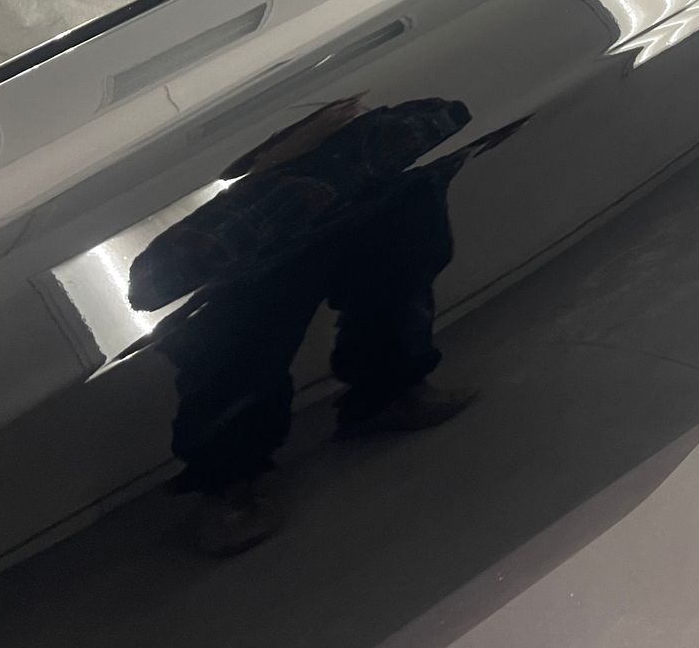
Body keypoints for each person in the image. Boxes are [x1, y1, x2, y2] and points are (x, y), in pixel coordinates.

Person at [130, 96, 479, 556]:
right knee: (237, 328)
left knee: (404, 240)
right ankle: (232, 478)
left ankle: (391, 390)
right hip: (215, 165)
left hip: (334, 128)